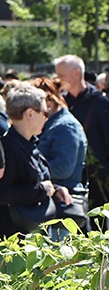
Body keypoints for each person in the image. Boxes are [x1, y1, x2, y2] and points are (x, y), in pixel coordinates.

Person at [54, 54, 109, 211]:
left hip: (98, 178)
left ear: (77, 73)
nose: (57, 79)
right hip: (69, 179)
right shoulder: (60, 102)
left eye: (61, 75)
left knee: (98, 227)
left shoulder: (100, 102)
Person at [0, 85, 73, 237]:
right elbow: (3, 193)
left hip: (30, 235)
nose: (48, 117)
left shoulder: (28, 143)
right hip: (13, 242)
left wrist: (55, 189)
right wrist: (41, 190)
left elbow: (34, 179)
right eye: (45, 113)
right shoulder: (9, 150)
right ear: (30, 114)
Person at [32, 77, 87, 192]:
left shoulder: (66, 127)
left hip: (66, 199)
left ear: (49, 103)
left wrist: (29, 167)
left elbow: (63, 168)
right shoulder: (51, 125)